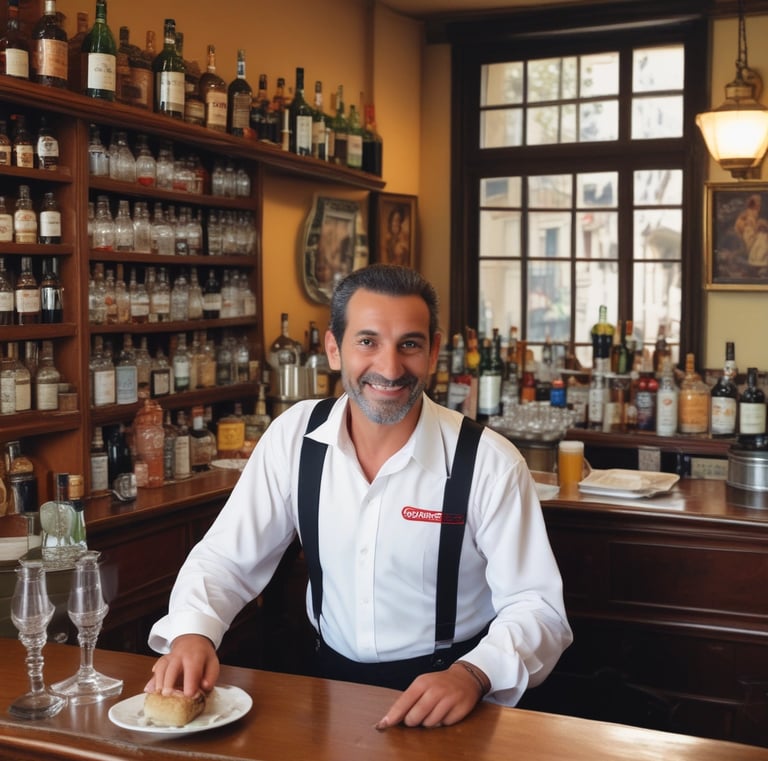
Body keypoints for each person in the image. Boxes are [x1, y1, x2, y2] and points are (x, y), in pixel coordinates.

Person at [146, 264, 572, 728]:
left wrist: (474, 673)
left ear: (433, 353)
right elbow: (226, 559)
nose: (389, 368)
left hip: (455, 698)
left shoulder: (489, 461)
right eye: (367, 342)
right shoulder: (295, 437)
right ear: (334, 349)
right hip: (327, 692)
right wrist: (193, 632)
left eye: (409, 344)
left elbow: (538, 607)